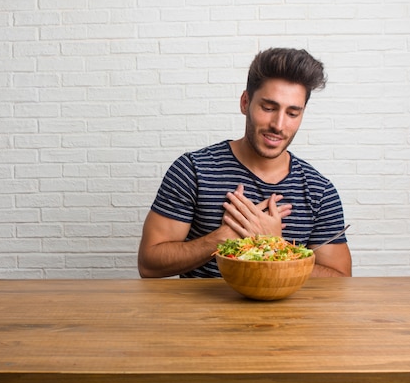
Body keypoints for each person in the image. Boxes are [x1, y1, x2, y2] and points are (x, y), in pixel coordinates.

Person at [138, 47, 352, 278]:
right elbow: (149, 264)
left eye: (292, 113)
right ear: (245, 102)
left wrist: (276, 246)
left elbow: (340, 280)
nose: (278, 125)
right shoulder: (193, 170)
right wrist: (222, 239)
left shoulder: (319, 190)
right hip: (205, 314)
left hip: (287, 315)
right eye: (268, 108)